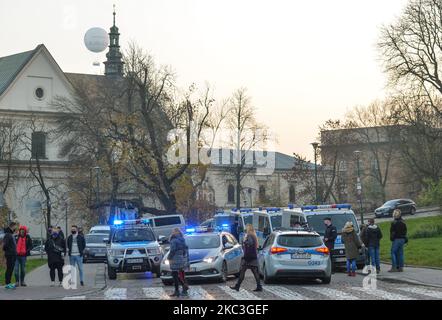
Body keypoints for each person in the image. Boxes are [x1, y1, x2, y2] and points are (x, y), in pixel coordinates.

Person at [230, 224, 262, 292]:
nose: (245, 229)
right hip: (252, 256)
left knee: (243, 271)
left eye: (246, 228)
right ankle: (258, 286)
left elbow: (249, 243)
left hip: (248, 257)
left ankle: (237, 286)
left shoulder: (250, 235)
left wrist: (244, 241)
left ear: (249, 229)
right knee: (254, 272)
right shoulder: (254, 235)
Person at [167, 228, 189, 297]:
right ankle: (184, 288)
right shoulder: (182, 239)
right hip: (181, 258)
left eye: (173, 231)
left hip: (174, 258)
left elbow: (172, 250)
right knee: (180, 274)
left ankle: (178, 290)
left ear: (175, 233)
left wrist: (169, 257)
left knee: (175, 275)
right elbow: (185, 249)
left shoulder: (173, 240)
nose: (172, 232)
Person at [2, 221, 18, 289]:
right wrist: (9, 251)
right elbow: (4, 245)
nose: (16, 228)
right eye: (15, 226)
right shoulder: (8, 234)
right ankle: (7, 283)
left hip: (12, 254)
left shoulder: (11, 234)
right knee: (9, 269)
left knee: (11, 269)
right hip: (10, 255)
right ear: (12, 226)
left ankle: (8, 283)